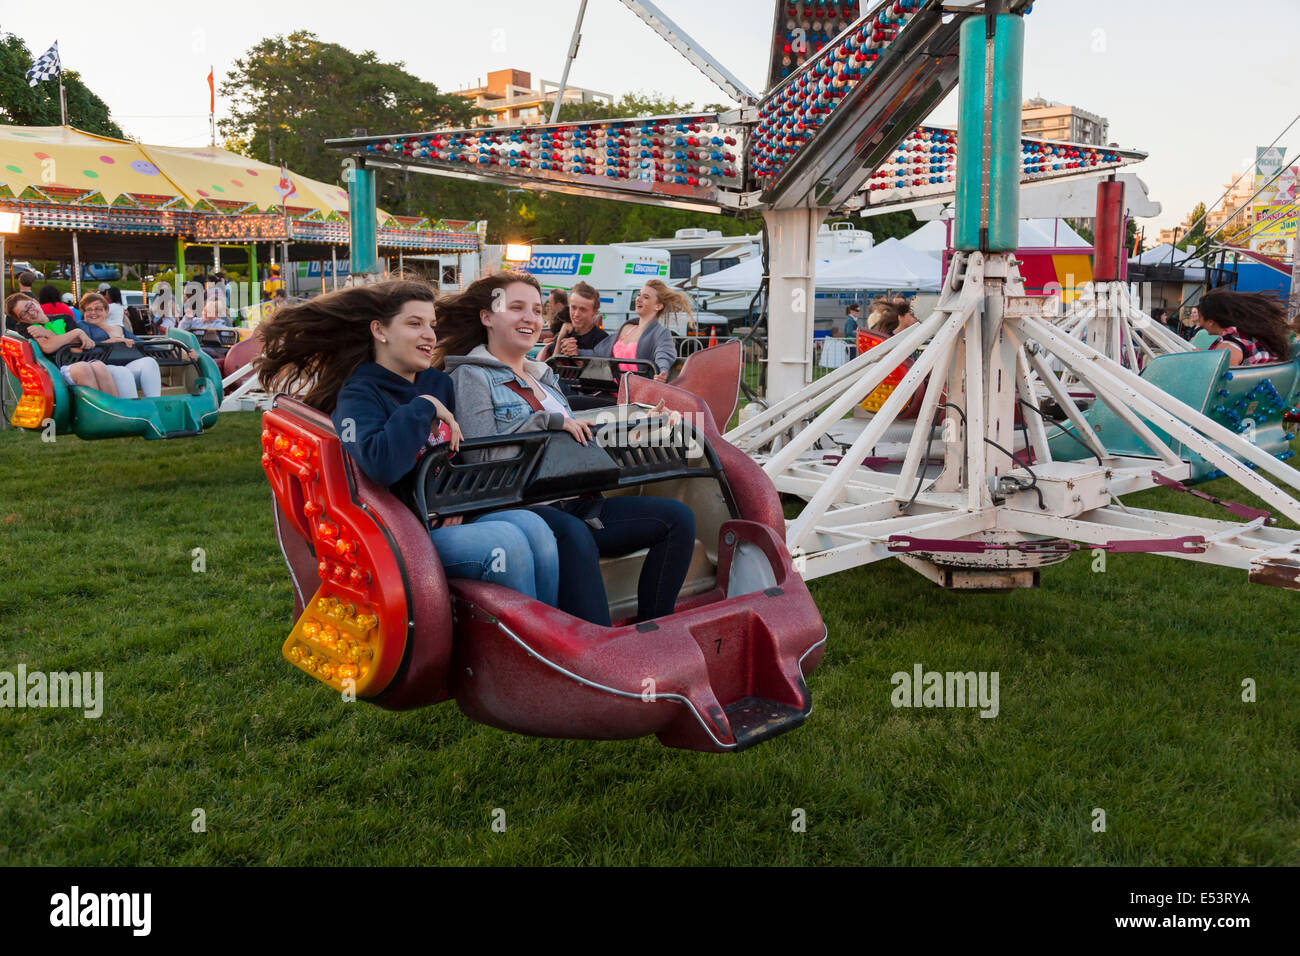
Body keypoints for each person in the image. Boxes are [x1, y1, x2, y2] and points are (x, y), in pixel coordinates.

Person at [256, 278, 559, 604]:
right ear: (380, 331)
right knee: (507, 544)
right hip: (398, 536)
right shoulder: (359, 395)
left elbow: (453, 456)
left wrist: (452, 497)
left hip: (446, 518)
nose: (429, 334)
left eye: (431, 324)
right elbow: (381, 464)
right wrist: (424, 407)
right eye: (414, 323)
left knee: (534, 527)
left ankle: (548, 641)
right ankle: (517, 649)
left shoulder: (438, 382)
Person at [440, 271, 696, 627]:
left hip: (577, 500)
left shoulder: (542, 376)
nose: (530, 318)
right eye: (516, 307)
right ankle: (597, 650)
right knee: (573, 534)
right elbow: (484, 459)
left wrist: (640, 423)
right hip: (523, 507)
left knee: (677, 519)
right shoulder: (471, 376)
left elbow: (581, 429)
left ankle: (653, 630)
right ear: (487, 317)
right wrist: (546, 423)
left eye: (535, 309)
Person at [4, 292, 120, 395]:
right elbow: (48, 347)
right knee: (83, 368)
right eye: (24, 313)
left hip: (78, 359)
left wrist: (49, 334)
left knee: (99, 366)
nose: (31, 313)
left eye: (29, 306)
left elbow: (78, 348)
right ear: (21, 319)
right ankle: (97, 413)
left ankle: (115, 410)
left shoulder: (65, 319)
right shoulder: (27, 327)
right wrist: (75, 334)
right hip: (55, 370)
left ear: (35, 302)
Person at [578, 279, 684, 382]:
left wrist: (663, 371)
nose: (638, 299)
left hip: (631, 396)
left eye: (646, 297)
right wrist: (576, 351)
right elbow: (598, 353)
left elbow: (664, 354)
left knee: (573, 399)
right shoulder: (627, 328)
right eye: (639, 295)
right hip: (608, 389)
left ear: (658, 306)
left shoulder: (660, 332)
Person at [78, 292, 163, 398]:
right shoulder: (82, 327)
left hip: (125, 365)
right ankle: (131, 410)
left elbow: (143, 345)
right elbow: (82, 347)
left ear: (106, 311)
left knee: (150, 362)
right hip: (101, 368)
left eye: (98, 309)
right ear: (83, 312)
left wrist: (175, 353)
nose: (93, 313)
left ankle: (153, 403)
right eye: (89, 310)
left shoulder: (119, 329)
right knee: (122, 372)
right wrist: (109, 342)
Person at [1195, 290, 1293, 367]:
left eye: (1200, 317)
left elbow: (1215, 383)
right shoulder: (1256, 337)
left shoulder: (1227, 349)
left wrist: (1198, 361)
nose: (1200, 322)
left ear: (1211, 321)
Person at [550, 281, 609, 359]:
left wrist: (576, 355)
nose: (576, 314)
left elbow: (599, 369)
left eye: (583, 310)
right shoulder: (565, 333)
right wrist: (560, 338)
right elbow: (552, 368)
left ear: (595, 312)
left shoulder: (603, 339)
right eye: (573, 308)